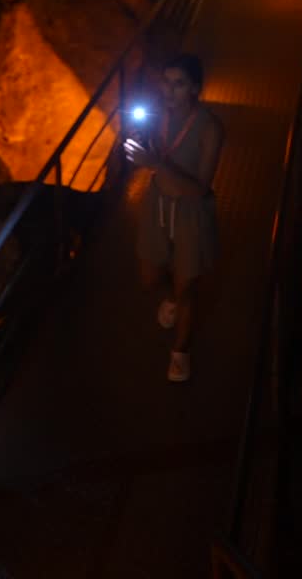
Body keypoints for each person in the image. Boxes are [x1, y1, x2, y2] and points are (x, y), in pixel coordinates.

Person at [124, 53, 224, 382]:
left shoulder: (210, 127)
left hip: (190, 213)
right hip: (157, 204)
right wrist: (137, 150)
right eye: (165, 82)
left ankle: (180, 351)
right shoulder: (158, 116)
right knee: (148, 277)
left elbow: (200, 189)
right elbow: (149, 154)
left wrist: (155, 164)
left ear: (194, 88)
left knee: (187, 287)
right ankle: (171, 297)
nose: (168, 91)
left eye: (178, 84)